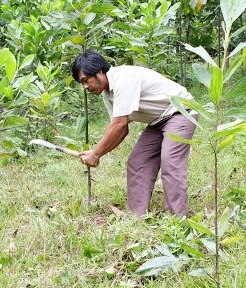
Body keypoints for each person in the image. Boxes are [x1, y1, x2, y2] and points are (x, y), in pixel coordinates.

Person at [71, 51, 197, 216]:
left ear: (99, 71)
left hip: (180, 111)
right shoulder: (108, 94)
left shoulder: (124, 79)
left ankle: (178, 219)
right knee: (138, 161)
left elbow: (120, 125)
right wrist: (97, 154)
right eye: (82, 83)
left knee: (170, 162)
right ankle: (136, 215)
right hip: (157, 120)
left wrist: (95, 154)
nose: (85, 87)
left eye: (86, 80)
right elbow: (120, 129)